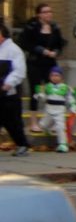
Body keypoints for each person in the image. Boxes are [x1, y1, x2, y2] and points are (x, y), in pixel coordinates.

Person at [17, 2, 66, 133]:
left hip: (50, 64)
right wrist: (41, 51)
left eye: (50, 11)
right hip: (35, 64)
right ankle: (33, 122)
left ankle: (52, 121)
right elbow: (25, 43)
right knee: (36, 92)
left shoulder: (55, 27)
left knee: (53, 91)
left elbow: (60, 44)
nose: (49, 14)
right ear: (39, 14)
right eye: (45, 12)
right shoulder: (31, 27)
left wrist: (56, 51)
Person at [0, 19, 31, 156]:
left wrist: (8, 84)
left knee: (12, 121)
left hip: (9, 93)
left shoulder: (13, 50)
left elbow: (19, 71)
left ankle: (22, 145)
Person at [35, 65, 76, 153]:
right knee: (43, 125)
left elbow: (70, 97)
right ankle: (48, 128)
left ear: (61, 77)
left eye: (57, 75)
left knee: (60, 127)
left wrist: (73, 105)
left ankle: (62, 144)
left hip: (60, 111)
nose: (54, 77)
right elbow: (44, 97)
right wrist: (40, 95)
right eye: (52, 75)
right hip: (49, 110)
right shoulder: (47, 87)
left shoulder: (65, 88)